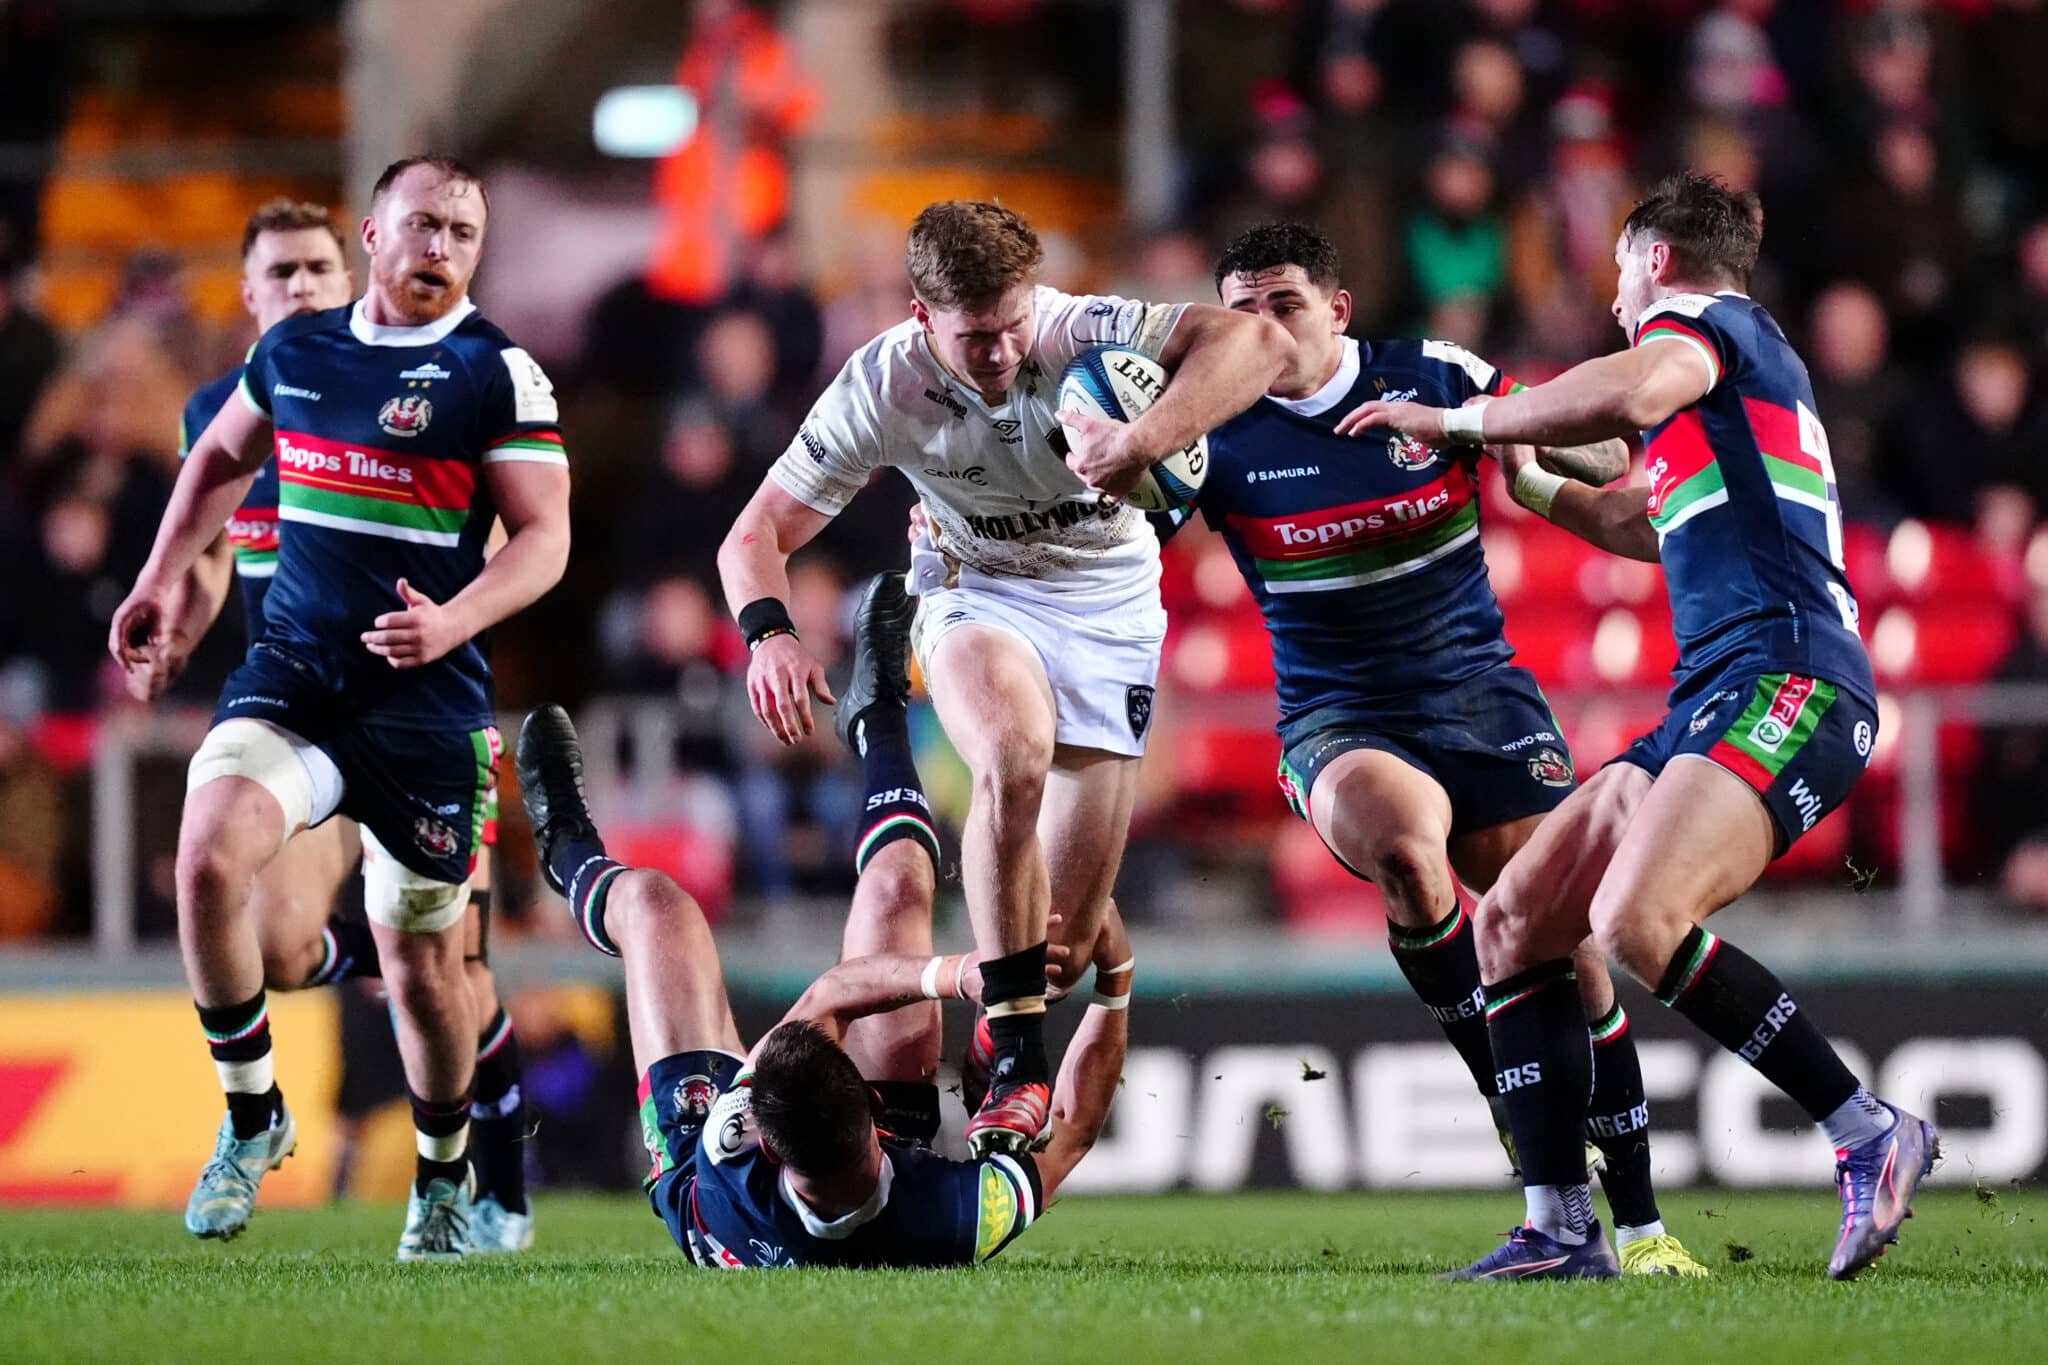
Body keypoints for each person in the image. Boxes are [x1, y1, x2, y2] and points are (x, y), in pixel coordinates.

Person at [1339, 172, 1934, 1282]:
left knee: (1634, 921)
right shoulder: (1726, 399)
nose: (1613, 296)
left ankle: (1865, 1131)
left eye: (1619, 270)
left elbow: (1633, 388)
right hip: (1711, 691)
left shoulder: (1700, 330)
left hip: (1788, 678)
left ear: (1652, 258)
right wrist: (1529, 484)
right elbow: (1645, 522)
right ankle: (1561, 1228)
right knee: (1514, 922)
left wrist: (1462, 418)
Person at [1158, 221, 1699, 1276]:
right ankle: (1515, 1106)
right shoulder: (1206, 431)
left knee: (1570, 953)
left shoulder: (1430, 379)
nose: (1263, 331)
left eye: (1284, 306)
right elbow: (1117, 531)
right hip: (1335, 712)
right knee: (1406, 850)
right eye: (1243, 312)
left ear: (1336, 309)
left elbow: (1559, 449)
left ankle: (1637, 1227)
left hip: (1478, 698)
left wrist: (1628, 465)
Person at [715, 199, 1287, 1155]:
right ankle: (1021, 1063)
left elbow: (1255, 343)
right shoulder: (879, 385)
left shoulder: (1075, 329)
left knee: (1055, 943)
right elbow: (754, 534)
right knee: (1012, 754)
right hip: (974, 589)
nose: (1002, 351)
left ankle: (1001, 1025)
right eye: (976, 335)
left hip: (1109, 610)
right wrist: (769, 634)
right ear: (919, 316)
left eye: (1014, 323)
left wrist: (1142, 440)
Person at [108, 156, 572, 1261]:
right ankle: (255, 1114)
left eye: (463, 232)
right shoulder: (292, 357)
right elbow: (218, 463)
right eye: (423, 225)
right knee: (209, 861)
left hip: (428, 711)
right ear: (376, 233)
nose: (441, 247)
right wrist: (160, 580)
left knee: (424, 970)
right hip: (298, 679)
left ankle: (451, 1173)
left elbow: (546, 540)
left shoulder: (497, 373)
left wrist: (456, 620)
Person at [515, 689, 1131, 1268]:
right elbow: (1071, 1130)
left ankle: (567, 852)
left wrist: (958, 976)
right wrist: (1114, 979)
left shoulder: (728, 1154)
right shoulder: (953, 1216)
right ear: (871, 1105)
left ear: (766, 1141)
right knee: (898, 885)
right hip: (870, 1175)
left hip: (698, 1179)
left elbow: (828, 997)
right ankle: (879, 718)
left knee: (654, 906)